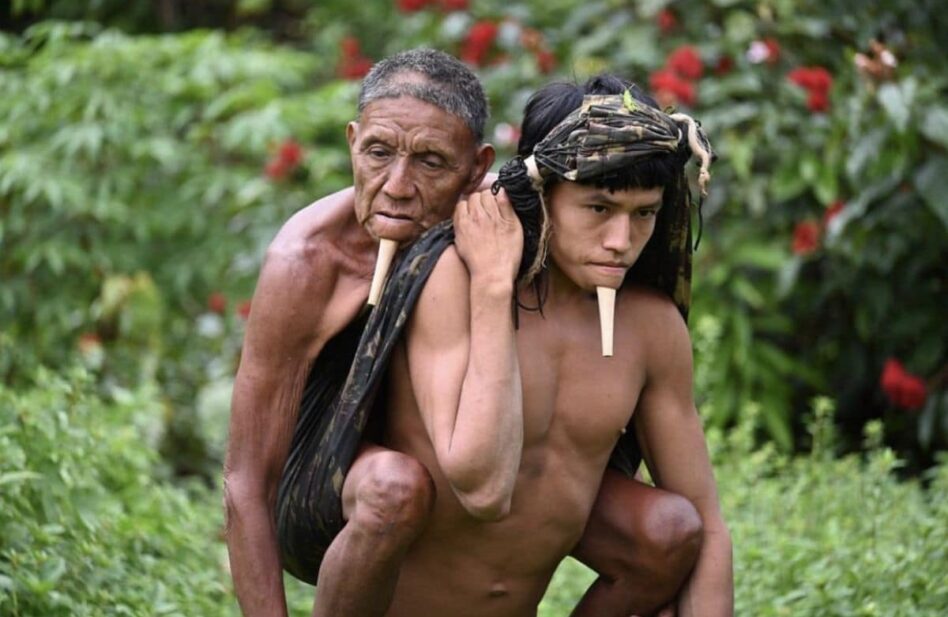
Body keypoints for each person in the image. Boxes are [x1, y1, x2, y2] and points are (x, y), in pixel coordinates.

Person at [224, 48, 702, 617]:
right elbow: (247, 480)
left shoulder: (505, 223)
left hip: (478, 483)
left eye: (430, 163)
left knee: (665, 529)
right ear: (352, 141)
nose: (398, 186)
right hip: (346, 488)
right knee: (393, 488)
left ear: (478, 169)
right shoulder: (309, 260)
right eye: (379, 153)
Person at [376, 76, 732, 616]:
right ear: (541, 196)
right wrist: (494, 285)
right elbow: (480, 485)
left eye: (644, 214)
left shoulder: (651, 329)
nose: (621, 242)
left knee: (674, 529)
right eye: (598, 208)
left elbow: (707, 526)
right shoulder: (455, 278)